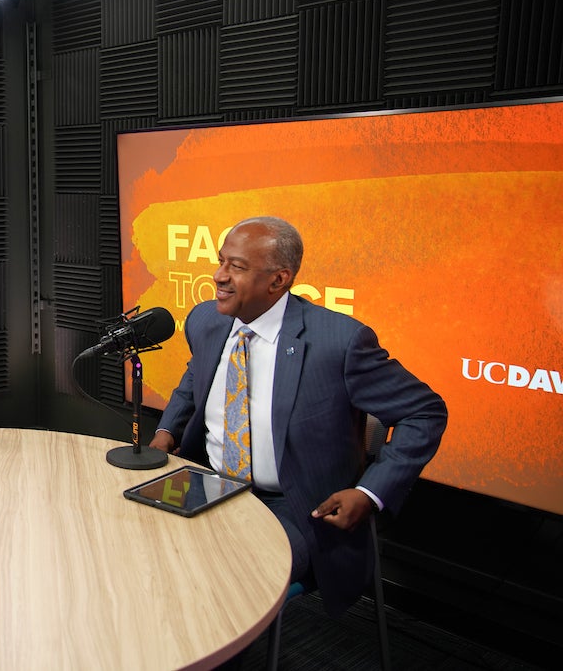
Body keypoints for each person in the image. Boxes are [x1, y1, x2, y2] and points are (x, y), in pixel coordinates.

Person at [148, 216, 447, 616]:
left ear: (278, 280)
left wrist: (369, 493)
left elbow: (424, 411)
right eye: (221, 262)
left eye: (236, 267)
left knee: (217, 580)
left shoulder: (338, 343)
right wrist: (167, 429)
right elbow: (196, 375)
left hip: (293, 505)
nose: (218, 276)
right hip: (208, 482)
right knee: (137, 544)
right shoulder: (206, 320)